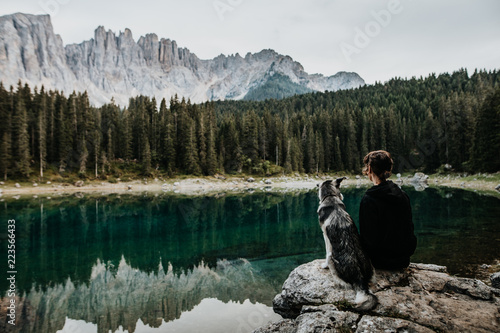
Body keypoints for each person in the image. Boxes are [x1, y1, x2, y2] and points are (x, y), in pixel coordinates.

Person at [359, 150, 417, 270]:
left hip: (380, 262)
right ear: (388, 170)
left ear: (369, 169)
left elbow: (369, 240)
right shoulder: (402, 194)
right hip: (403, 260)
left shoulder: (369, 199)